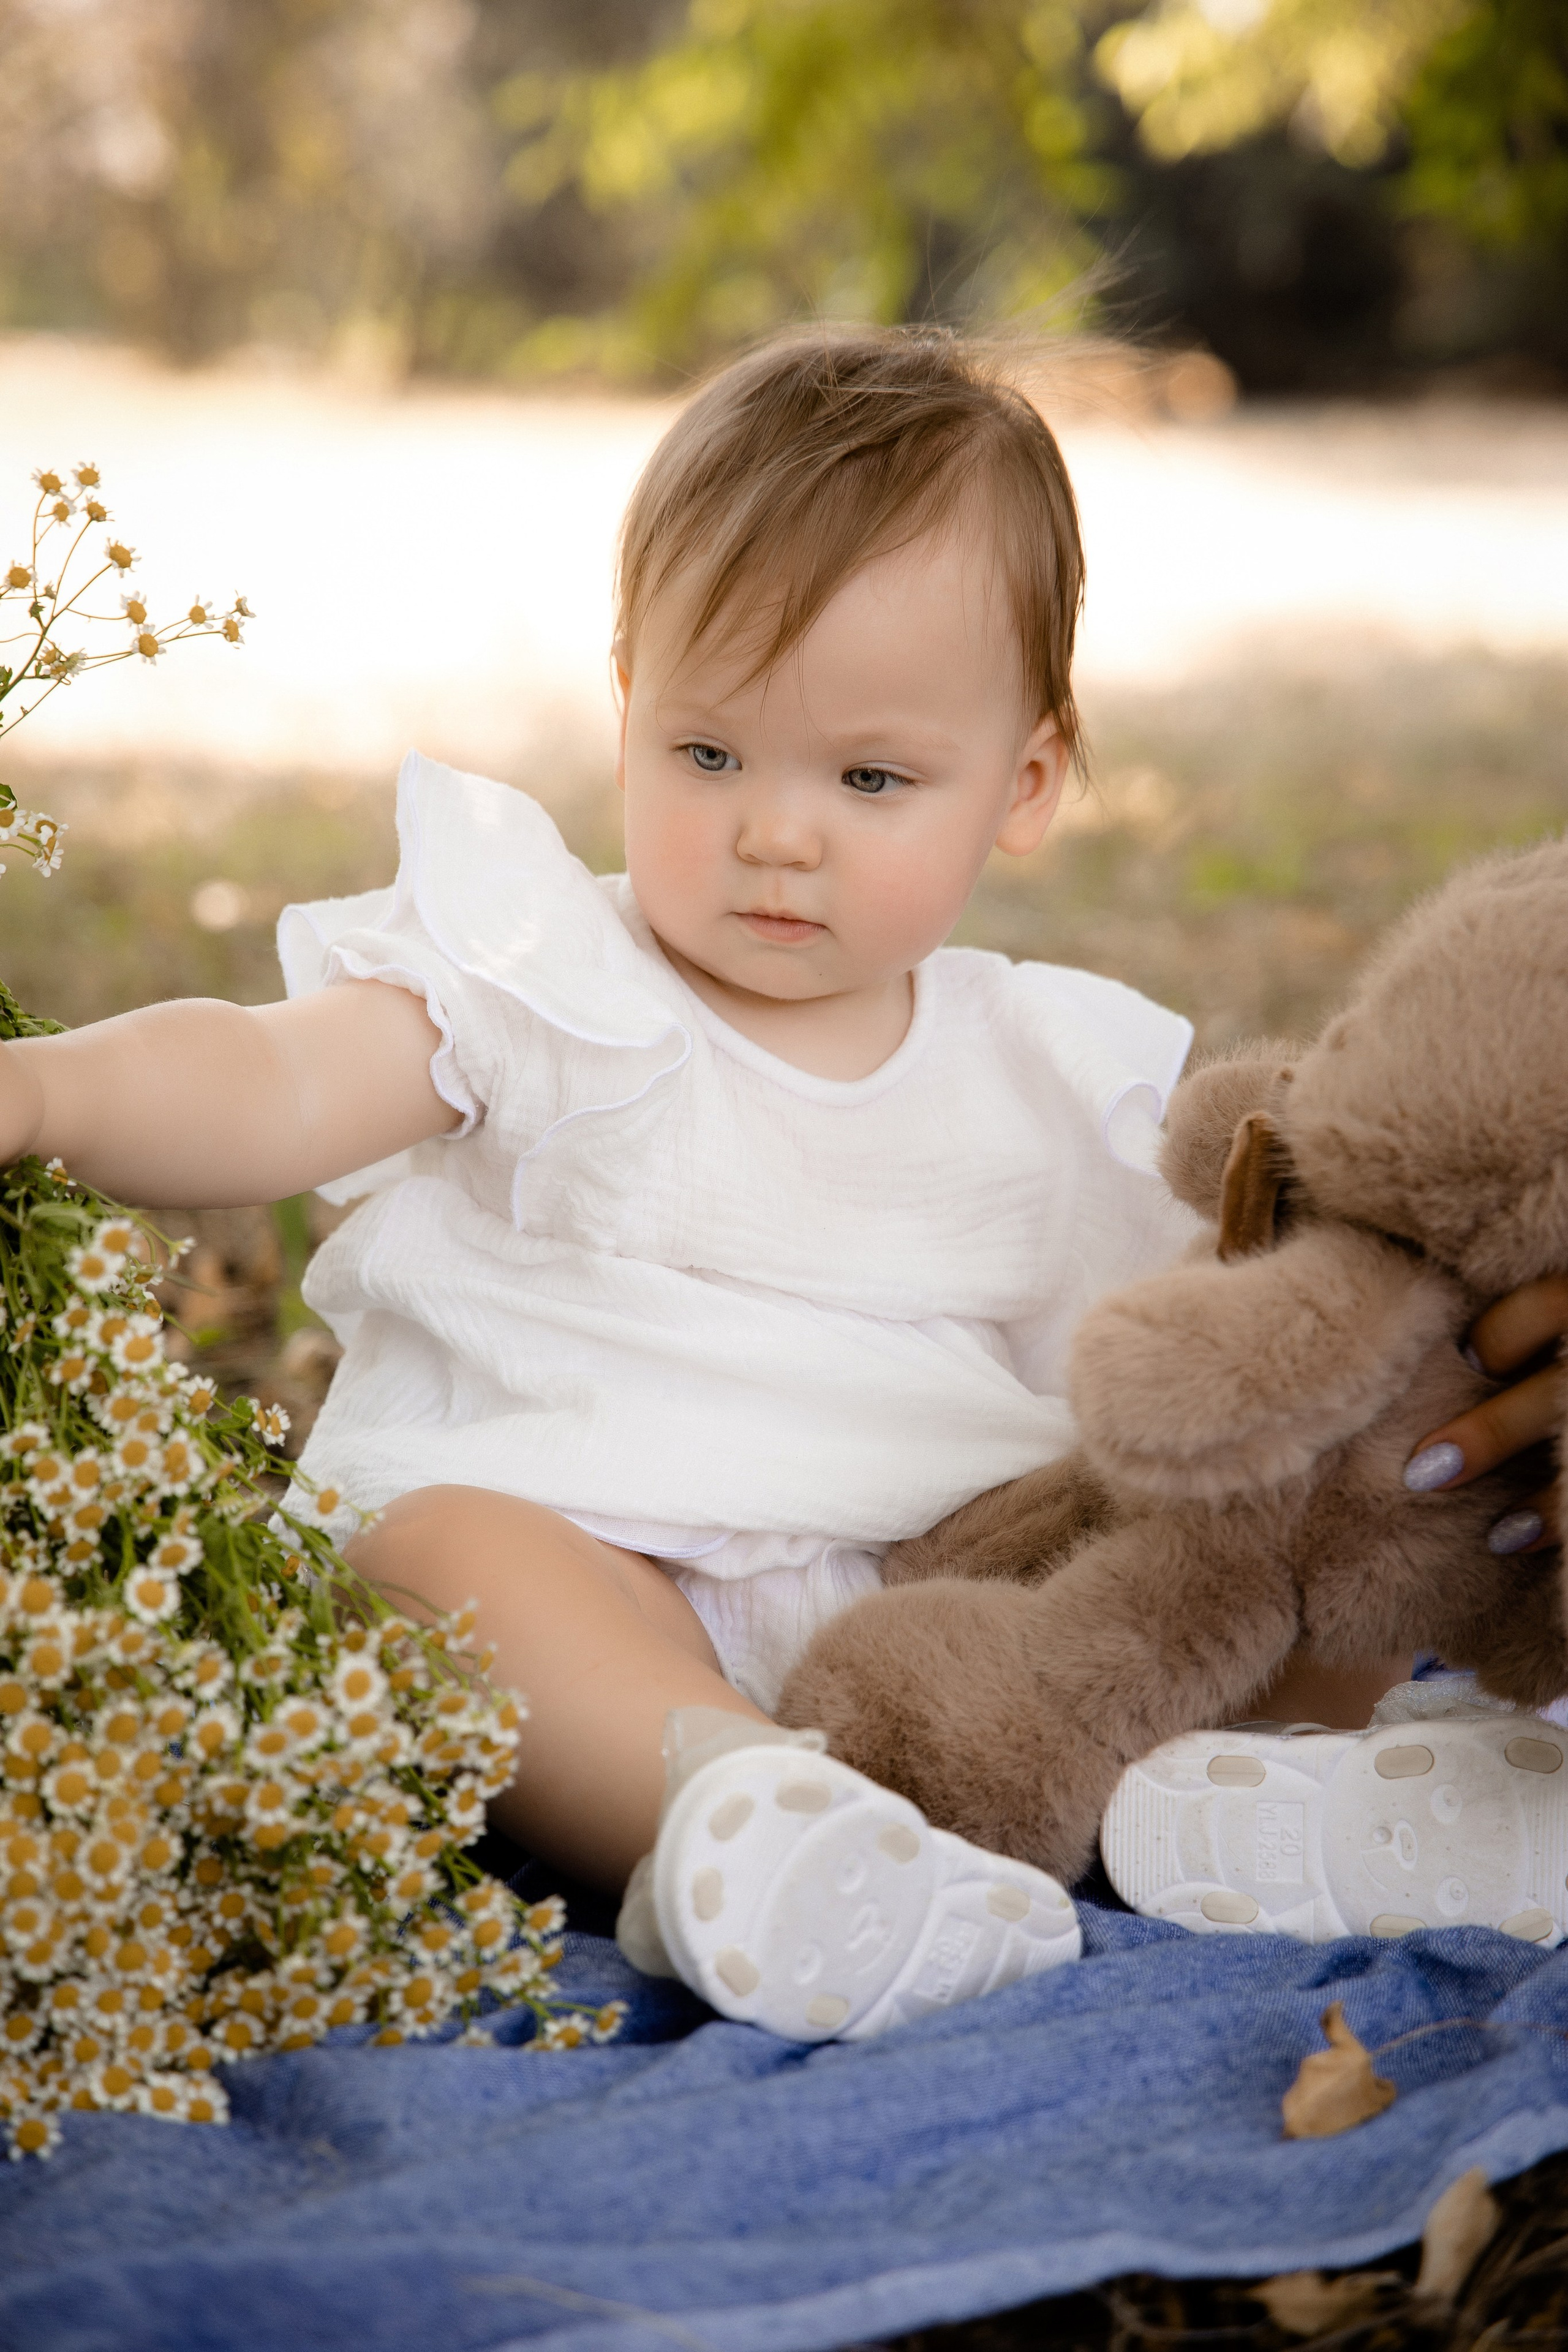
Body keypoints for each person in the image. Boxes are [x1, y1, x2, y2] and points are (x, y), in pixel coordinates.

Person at [0, 330, 1555, 2024]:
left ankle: (1333, 1792)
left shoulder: (1059, 1066)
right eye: (711, 754)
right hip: (609, 1566)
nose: (776, 833)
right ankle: (756, 1820)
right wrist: (46, 1088)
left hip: (970, 1597)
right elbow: (278, 1072)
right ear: (626, 705)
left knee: (1292, 1465)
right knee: (434, 1567)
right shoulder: (545, 982)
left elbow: (1254, 1319)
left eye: (870, 778)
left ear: (1022, 784)